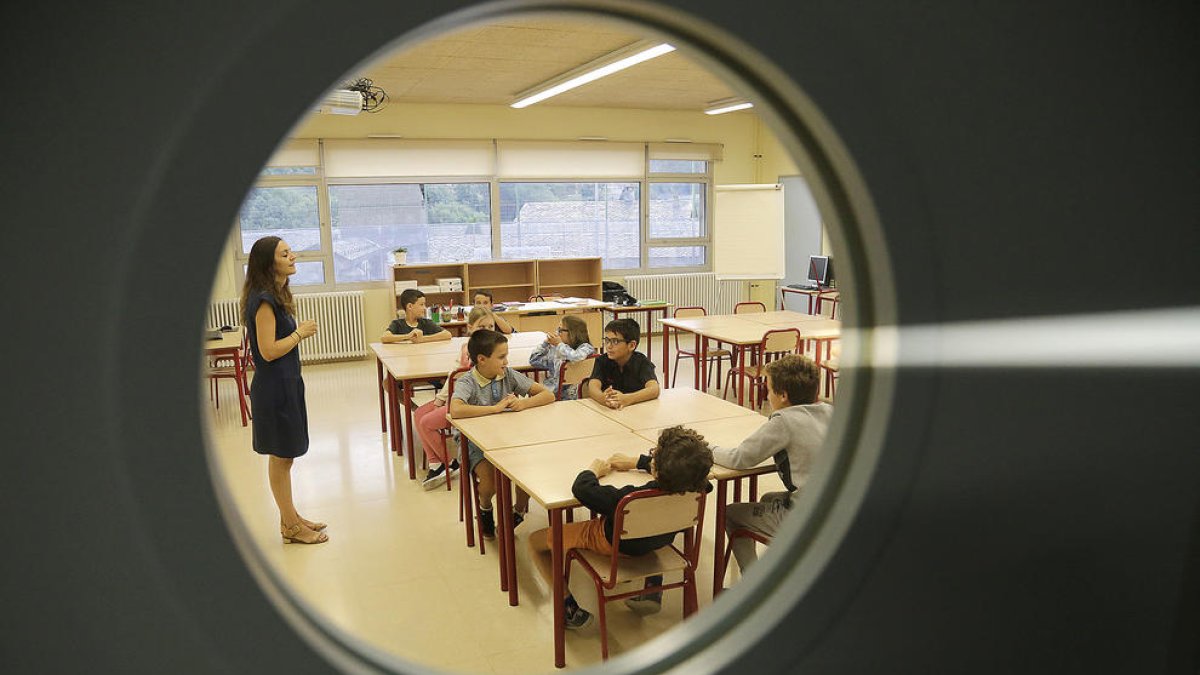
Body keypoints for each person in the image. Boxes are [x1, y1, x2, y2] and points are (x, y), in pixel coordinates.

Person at [527, 426, 713, 628]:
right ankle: (652, 587)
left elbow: (582, 489)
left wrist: (593, 470)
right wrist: (640, 462)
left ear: (657, 469)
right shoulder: (698, 488)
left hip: (613, 543)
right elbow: (703, 481)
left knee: (535, 541)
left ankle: (568, 608)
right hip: (659, 540)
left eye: (654, 454)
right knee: (650, 524)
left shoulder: (629, 499)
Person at [240, 236, 327, 545]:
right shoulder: (264, 300)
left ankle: (289, 517)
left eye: (291, 252)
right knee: (281, 457)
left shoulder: (276, 294)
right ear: (269, 263)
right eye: (285, 254)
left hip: (287, 383)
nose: (294, 257)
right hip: (274, 388)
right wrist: (299, 333)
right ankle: (290, 526)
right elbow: (267, 351)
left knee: (286, 455)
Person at [710, 354, 832, 572]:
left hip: (810, 518)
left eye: (768, 389)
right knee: (768, 498)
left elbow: (740, 459)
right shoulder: (830, 411)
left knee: (729, 513)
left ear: (783, 395)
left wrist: (707, 449)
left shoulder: (784, 421)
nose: (767, 394)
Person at [449, 329, 555, 538]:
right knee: (491, 484)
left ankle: (519, 510)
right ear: (481, 359)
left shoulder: (507, 374)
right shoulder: (467, 381)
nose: (506, 361)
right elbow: (456, 409)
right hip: (474, 443)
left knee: (525, 472)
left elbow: (548, 395)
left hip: (510, 438)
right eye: (501, 357)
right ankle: (485, 508)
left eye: (506, 356)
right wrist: (495, 409)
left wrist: (523, 403)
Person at [414, 306, 495, 490]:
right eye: (482, 327)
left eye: (491, 327)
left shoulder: (493, 351)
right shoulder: (466, 347)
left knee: (426, 422)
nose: (488, 331)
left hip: (470, 404)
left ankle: (451, 462)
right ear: (470, 327)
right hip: (455, 396)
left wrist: (442, 400)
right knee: (418, 414)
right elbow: (453, 375)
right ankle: (437, 463)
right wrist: (440, 399)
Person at [585, 318, 660, 409]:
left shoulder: (642, 362)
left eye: (615, 341)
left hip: (636, 411)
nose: (609, 346)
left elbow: (654, 389)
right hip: (609, 411)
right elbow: (592, 386)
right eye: (607, 340)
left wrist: (627, 399)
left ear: (631, 345)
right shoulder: (602, 361)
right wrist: (602, 398)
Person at [529, 314, 594, 400]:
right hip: (553, 392)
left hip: (574, 394)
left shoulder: (586, 348)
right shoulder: (557, 350)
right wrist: (545, 344)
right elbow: (534, 361)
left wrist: (559, 344)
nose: (557, 333)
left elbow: (576, 357)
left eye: (560, 330)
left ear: (572, 332)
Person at [381, 288, 452, 344]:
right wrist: (408, 336)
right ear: (410, 306)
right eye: (421, 304)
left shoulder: (426, 323)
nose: (424, 308)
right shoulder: (397, 324)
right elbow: (384, 338)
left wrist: (423, 339)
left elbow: (447, 334)